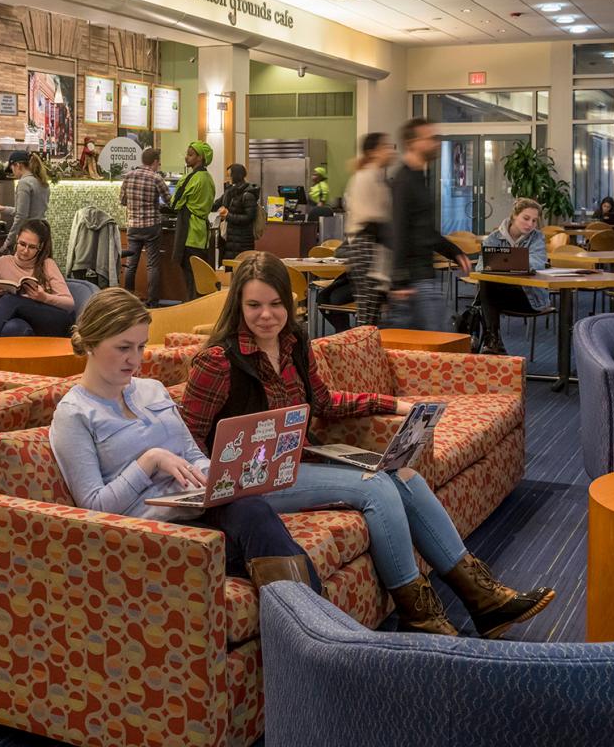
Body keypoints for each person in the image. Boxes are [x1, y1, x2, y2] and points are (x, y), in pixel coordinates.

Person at [180, 252, 555, 637]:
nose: (266, 315)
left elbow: (324, 402)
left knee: (405, 476)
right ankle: (419, 614)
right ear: (238, 305)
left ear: (288, 304)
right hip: (249, 484)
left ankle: (484, 598)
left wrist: (394, 404)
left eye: (276, 304)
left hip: (297, 466)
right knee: (375, 487)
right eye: (254, 305)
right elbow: (186, 434)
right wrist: (220, 468)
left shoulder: (294, 345)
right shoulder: (218, 362)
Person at [50, 287, 321, 591]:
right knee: (256, 541)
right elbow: (93, 508)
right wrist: (150, 461)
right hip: (151, 530)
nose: (134, 360)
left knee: (253, 509)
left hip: (197, 505)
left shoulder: (151, 389)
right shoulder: (74, 414)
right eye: (123, 348)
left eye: (140, 347)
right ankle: (321, 623)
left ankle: (316, 628)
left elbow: (193, 456)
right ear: (91, 344)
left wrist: (223, 479)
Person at [384, 118, 471, 331]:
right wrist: (399, 282)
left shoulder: (419, 177)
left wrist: (454, 251)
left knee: (430, 347)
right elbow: (399, 231)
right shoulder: (405, 181)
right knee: (434, 346)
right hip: (414, 280)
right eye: (430, 138)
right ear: (413, 143)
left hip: (422, 277)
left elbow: (424, 231)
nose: (436, 143)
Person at [0, 220, 76, 337]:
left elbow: (69, 304)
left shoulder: (47, 264)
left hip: (54, 319)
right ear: (17, 239)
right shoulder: (3, 262)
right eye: (22, 244)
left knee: (9, 300)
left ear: (40, 247)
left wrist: (44, 297)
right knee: (14, 326)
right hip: (24, 319)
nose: (25, 251)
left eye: (32, 247)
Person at [477, 199, 551, 355]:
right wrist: (516, 264)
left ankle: (492, 341)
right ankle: (493, 339)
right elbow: (480, 266)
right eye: (526, 218)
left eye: (534, 221)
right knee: (485, 283)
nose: (530, 224)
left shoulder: (537, 237)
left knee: (486, 294)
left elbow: (537, 262)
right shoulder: (494, 237)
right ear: (514, 216)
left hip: (530, 297)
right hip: (502, 295)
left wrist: (504, 264)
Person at [343, 132, 395, 326]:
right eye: (385, 147)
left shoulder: (376, 177)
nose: (390, 151)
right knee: (368, 315)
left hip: (372, 247)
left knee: (372, 313)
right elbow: (372, 220)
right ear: (373, 152)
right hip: (366, 247)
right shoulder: (365, 177)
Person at [119, 147, 171, 306]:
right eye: (159, 163)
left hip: (133, 226)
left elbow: (122, 201)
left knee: (131, 264)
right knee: (152, 265)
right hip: (151, 227)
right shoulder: (156, 178)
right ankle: (153, 302)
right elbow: (169, 200)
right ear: (155, 161)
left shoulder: (128, 176)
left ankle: (128, 300)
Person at [171, 141, 216, 301]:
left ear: (200, 157)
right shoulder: (209, 178)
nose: (186, 157)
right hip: (202, 236)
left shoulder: (190, 178)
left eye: (190, 154)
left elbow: (174, 203)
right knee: (200, 279)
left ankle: (191, 312)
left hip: (189, 234)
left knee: (190, 280)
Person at [0, 150, 51, 254]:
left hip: (30, 233)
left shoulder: (24, 183)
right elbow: (32, 210)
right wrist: (3, 209)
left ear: (18, 165)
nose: (13, 172)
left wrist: (8, 241)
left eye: (12, 168)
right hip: (43, 230)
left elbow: (21, 216)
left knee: (24, 269)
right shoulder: (41, 181)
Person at [215, 163, 260, 262]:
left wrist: (228, 215)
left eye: (229, 175)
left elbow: (249, 218)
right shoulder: (229, 192)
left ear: (235, 175)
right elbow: (216, 204)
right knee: (229, 269)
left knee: (241, 268)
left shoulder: (248, 195)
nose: (228, 178)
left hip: (242, 240)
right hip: (229, 239)